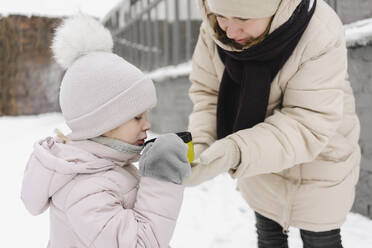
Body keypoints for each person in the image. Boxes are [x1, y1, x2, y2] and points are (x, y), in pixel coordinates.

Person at [184, 0, 361, 247]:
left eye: (244, 19)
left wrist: (235, 151)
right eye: (221, 15)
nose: (230, 32)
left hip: (319, 160)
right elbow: (209, 97)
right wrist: (201, 145)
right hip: (258, 161)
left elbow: (307, 122)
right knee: (269, 238)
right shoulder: (213, 32)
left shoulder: (319, 30)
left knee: (321, 240)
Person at [21, 14, 191, 248]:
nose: (147, 125)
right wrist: (160, 178)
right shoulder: (85, 190)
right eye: (137, 117)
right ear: (103, 123)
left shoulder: (103, 167)